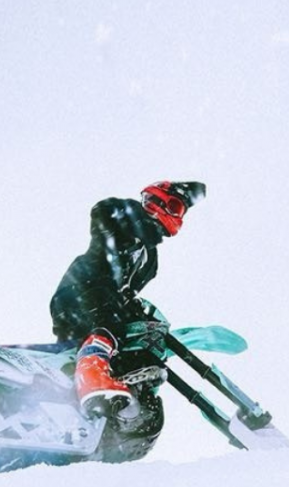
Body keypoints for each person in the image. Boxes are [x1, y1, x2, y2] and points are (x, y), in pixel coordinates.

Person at [50, 181, 205, 430]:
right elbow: (101, 210)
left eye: (180, 210)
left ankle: (113, 401)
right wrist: (136, 219)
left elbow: (128, 292)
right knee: (109, 318)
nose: (175, 214)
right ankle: (93, 376)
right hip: (80, 292)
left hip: (104, 305)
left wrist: (135, 310)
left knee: (127, 340)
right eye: (174, 205)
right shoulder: (123, 219)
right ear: (156, 199)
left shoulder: (150, 260)